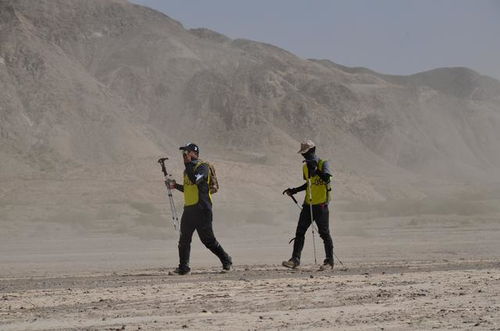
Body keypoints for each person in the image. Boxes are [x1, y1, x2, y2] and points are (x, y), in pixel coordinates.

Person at [166, 143, 232, 275]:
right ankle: (184, 268)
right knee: (184, 239)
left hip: (202, 208)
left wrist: (187, 164)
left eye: (186, 152)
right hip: (189, 208)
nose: (184, 155)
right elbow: (188, 188)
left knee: (208, 240)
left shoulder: (203, 167)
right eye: (183, 153)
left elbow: (196, 180)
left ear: (194, 153)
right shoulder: (187, 169)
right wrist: (175, 186)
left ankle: (226, 260)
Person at [282, 140, 334, 270]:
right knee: (300, 232)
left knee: (324, 233)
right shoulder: (305, 167)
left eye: (305, 153)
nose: (304, 156)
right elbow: (308, 184)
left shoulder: (323, 163)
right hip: (308, 205)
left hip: (321, 205)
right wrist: (294, 190)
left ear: (313, 150)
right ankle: (295, 260)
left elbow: (327, 179)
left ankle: (329, 261)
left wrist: (316, 170)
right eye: (303, 154)